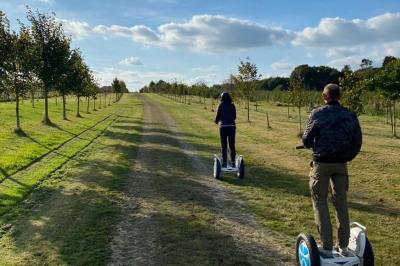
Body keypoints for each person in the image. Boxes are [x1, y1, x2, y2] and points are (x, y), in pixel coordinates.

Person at [302, 83, 362, 256]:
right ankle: (343, 246)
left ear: (324, 97)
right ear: (340, 97)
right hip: (341, 164)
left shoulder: (317, 113)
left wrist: (312, 143)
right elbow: (357, 141)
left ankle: (327, 247)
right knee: (341, 203)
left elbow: (306, 140)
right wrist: (347, 156)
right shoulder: (350, 115)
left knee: (320, 202)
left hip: (321, 164)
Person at [215, 92, 236, 168]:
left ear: (222, 97)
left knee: (224, 145)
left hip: (223, 127)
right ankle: (233, 162)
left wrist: (216, 121)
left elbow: (217, 116)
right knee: (232, 145)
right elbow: (234, 117)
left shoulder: (220, 105)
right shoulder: (232, 105)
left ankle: (224, 162)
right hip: (232, 127)